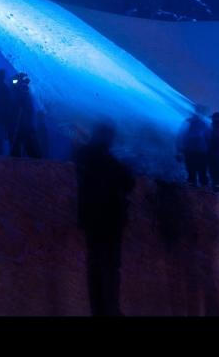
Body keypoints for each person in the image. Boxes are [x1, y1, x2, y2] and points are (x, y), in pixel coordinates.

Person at [75, 123, 135, 316]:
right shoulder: (110, 161)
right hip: (110, 221)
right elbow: (128, 182)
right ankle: (110, 310)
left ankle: (99, 310)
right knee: (109, 268)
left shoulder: (84, 156)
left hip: (91, 219)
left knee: (94, 266)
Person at [177, 105, 211, 187]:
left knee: (195, 174)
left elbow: (180, 136)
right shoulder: (202, 124)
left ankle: (198, 193)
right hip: (196, 152)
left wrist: (179, 151)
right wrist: (179, 151)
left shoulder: (192, 122)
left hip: (195, 152)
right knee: (197, 174)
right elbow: (181, 136)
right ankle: (200, 194)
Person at [9, 73, 41, 158]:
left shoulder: (23, 94)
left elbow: (28, 109)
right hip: (19, 124)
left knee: (25, 144)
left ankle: (34, 160)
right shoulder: (17, 93)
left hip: (22, 124)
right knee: (22, 144)